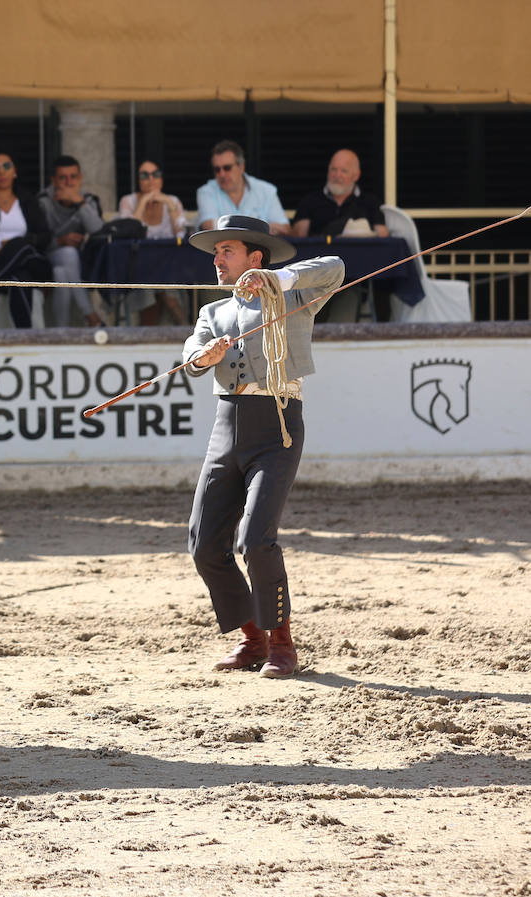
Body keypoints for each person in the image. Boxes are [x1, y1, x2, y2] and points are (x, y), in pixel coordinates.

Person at [181, 215, 344, 678]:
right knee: (205, 545)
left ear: (255, 256)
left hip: (277, 427)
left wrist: (278, 278)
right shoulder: (212, 313)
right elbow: (191, 354)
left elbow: (335, 266)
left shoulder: (295, 297)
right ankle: (252, 639)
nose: (216, 260)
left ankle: (281, 642)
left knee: (256, 540)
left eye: (225, 251)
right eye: (216, 253)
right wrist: (201, 358)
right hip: (226, 427)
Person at [292, 149, 391, 322]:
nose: (337, 175)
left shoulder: (370, 202)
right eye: (333, 170)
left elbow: (383, 235)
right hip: (320, 267)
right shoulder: (311, 200)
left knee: (385, 275)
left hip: (362, 265)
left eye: (343, 171)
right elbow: (300, 234)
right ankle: (317, 331)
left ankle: (385, 328)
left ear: (356, 175)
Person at [0, 151, 51, 329]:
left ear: (15, 171)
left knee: (19, 245)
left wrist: (17, 244)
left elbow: (45, 235)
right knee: (19, 277)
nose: (1, 172)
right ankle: (26, 336)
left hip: (30, 260)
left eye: (6, 166)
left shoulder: (28, 200)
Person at [117, 160, 189, 325]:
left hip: (169, 264)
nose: (151, 179)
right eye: (144, 175)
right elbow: (128, 232)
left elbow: (181, 234)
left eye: (155, 174)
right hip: (139, 265)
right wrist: (143, 203)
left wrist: (169, 205)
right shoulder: (128, 201)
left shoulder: (173, 200)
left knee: (166, 287)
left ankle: (185, 329)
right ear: (138, 180)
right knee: (150, 289)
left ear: (161, 179)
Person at [37, 155, 105, 327]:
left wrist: (79, 203)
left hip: (82, 263)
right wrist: (61, 240)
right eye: (62, 178)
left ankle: (62, 330)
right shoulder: (43, 201)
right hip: (44, 261)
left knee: (61, 272)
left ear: (80, 178)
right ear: (53, 180)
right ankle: (89, 314)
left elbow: (98, 231)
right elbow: (38, 240)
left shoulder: (88, 200)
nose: (69, 182)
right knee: (68, 253)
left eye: (73, 177)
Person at [195, 140, 290, 236]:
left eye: (227, 168)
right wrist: (260, 227)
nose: (222, 174)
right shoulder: (206, 192)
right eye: (217, 169)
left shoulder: (266, 190)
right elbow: (209, 227)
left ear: (241, 167)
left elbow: (285, 229)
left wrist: (230, 226)